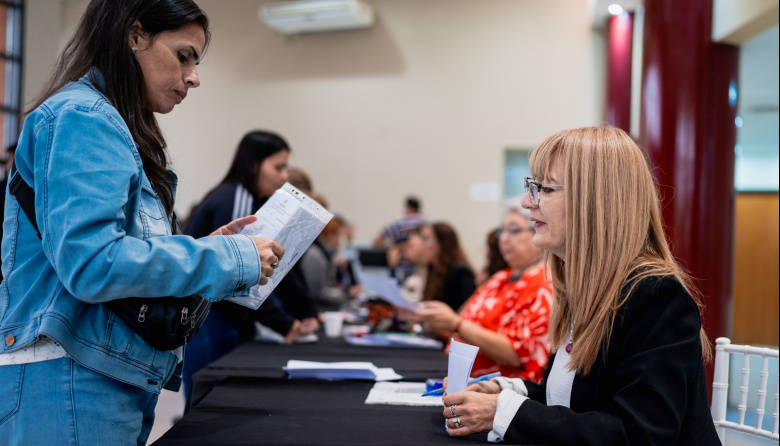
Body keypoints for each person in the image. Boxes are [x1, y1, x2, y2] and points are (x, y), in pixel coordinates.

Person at [0, 1, 285, 444]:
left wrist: (205, 247)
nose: (194, 76)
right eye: (183, 55)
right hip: (71, 379)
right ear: (135, 36)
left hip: (96, 374)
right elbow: (93, 262)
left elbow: (115, 253)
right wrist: (222, 256)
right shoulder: (84, 117)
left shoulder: (108, 122)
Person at [440, 126, 720, 445]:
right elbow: (570, 403)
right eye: (532, 186)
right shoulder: (583, 286)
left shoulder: (655, 295)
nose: (526, 202)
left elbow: (639, 435)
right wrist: (504, 391)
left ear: (594, 201)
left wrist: (504, 412)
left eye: (543, 189)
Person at [183, 130, 320, 395]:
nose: (284, 177)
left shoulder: (247, 198)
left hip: (224, 317)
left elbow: (279, 264)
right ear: (254, 164)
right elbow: (242, 273)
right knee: (208, 399)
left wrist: (305, 311)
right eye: (278, 167)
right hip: (212, 318)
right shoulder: (237, 199)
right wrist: (282, 323)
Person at [406, 209, 552, 382]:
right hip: (467, 381)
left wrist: (456, 324)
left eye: (514, 230)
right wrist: (428, 317)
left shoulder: (545, 283)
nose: (503, 238)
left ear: (539, 231)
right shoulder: (501, 277)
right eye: (501, 231)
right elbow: (461, 319)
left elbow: (518, 354)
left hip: (501, 391)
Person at [403, 222, 476, 312]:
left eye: (425, 239)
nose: (421, 245)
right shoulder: (432, 270)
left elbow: (468, 312)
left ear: (441, 243)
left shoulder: (460, 274)